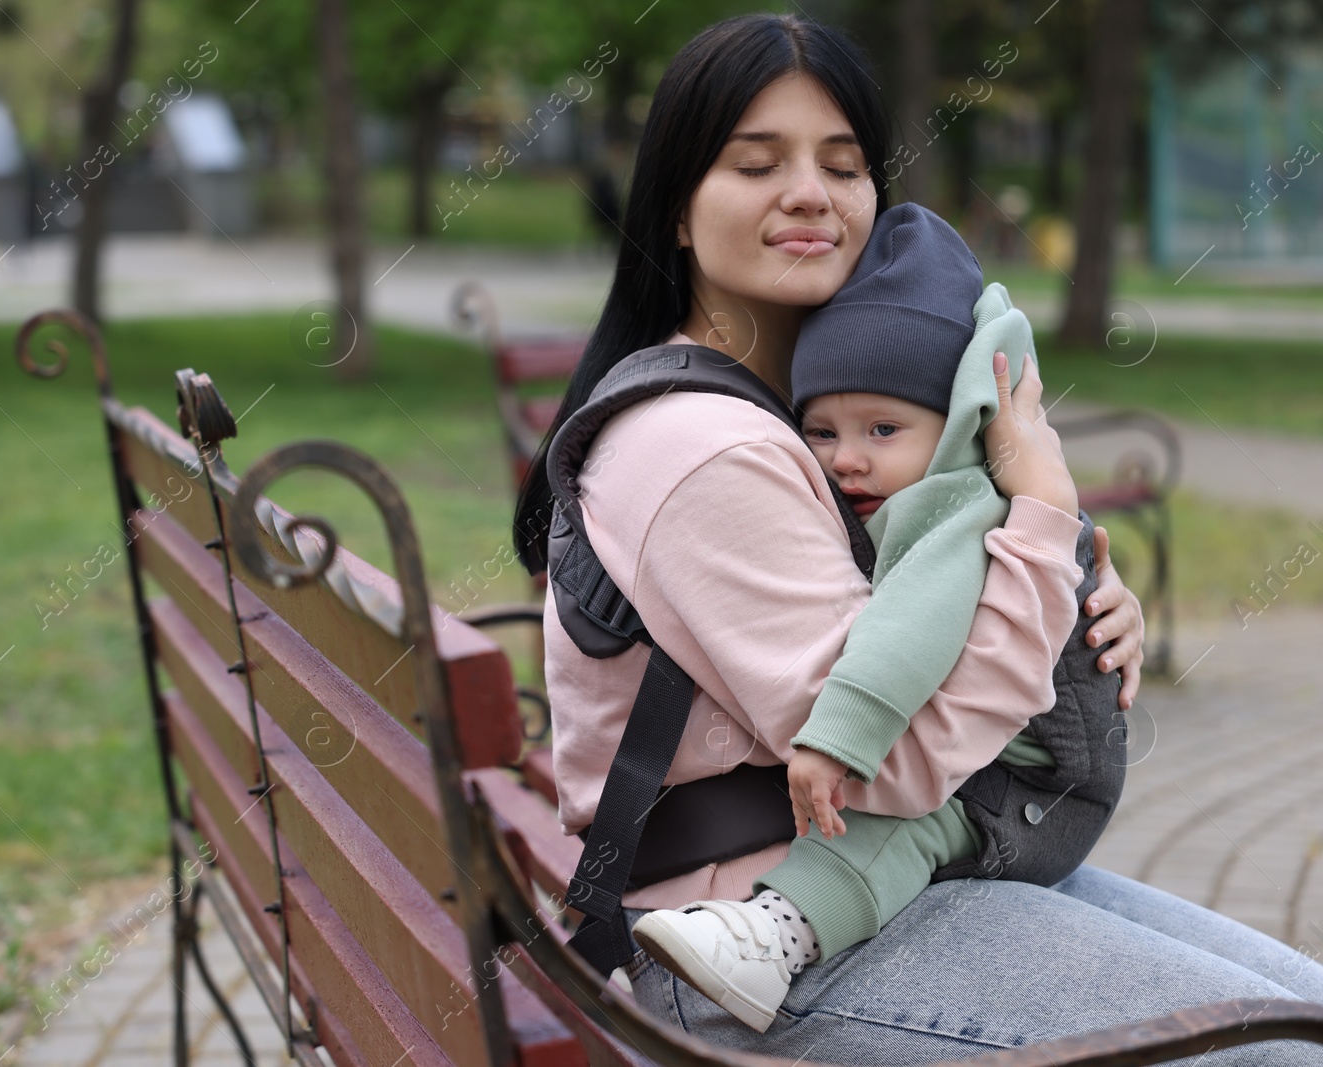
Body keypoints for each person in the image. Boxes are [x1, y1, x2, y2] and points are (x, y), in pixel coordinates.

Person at [513, 12, 1323, 1062]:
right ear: (675, 206)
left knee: (1303, 1001)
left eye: (842, 165)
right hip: (748, 954)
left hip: (869, 885)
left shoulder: (805, 413)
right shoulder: (703, 449)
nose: (811, 192)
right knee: (1279, 1045)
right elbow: (886, 767)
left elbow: (931, 595)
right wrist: (1036, 524)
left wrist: (1072, 609)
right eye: (757, 163)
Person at [629, 202, 1120, 1032]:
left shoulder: (953, 506)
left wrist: (837, 736)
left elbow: (913, 623)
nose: (846, 455)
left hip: (1031, 787)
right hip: (1010, 770)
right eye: (820, 429)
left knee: (890, 823)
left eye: (883, 429)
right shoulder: (914, 493)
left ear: (957, 428)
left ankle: (777, 935)